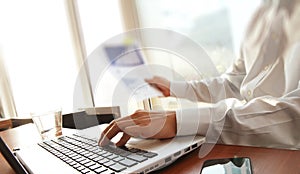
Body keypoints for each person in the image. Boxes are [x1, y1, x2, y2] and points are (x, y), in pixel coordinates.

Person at [99, 0, 300, 149]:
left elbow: (295, 117)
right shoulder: (262, 13)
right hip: (253, 148)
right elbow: (236, 83)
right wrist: (177, 88)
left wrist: (178, 121)